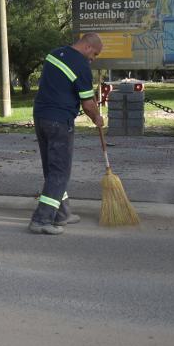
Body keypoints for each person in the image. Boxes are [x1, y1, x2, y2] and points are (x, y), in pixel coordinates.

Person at [29, 33, 103, 235]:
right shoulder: (81, 66)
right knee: (60, 171)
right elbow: (87, 104)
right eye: (94, 54)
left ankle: (62, 214)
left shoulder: (54, 54)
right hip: (60, 121)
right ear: (88, 47)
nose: (93, 59)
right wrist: (97, 118)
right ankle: (41, 219)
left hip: (41, 117)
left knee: (52, 169)